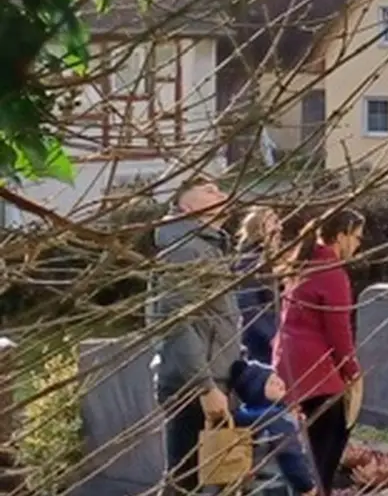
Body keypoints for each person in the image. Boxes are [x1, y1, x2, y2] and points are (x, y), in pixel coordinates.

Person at [150, 178, 238, 496]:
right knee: (185, 482)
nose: (222, 195)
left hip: (212, 377)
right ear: (185, 205)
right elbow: (178, 322)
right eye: (210, 191)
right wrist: (205, 387)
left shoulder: (206, 245)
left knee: (202, 480)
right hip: (193, 385)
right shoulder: (185, 249)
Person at [276, 208, 364, 495]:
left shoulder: (304, 263)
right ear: (341, 236)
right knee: (326, 447)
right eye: (356, 237)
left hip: (291, 362)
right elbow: (338, 330)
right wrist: (352, 370)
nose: (359, 244)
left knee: (306, 449)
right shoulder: (332, 273)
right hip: (317, 369)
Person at [227, 359, 315, 495]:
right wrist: (306, 486)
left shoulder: (245, 415)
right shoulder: (277, 418)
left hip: (252, 487)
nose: (279, 383)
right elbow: (289, 454)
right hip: (278, 485)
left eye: (277, 377)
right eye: (271, 382)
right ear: (257, 392)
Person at [235, 206, 283, 365]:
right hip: (260, 344)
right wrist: (273, 336)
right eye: (274, 222)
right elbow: (249, 305)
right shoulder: (251, 261)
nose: (280, 227)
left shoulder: (264, 260)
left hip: (267, 340)